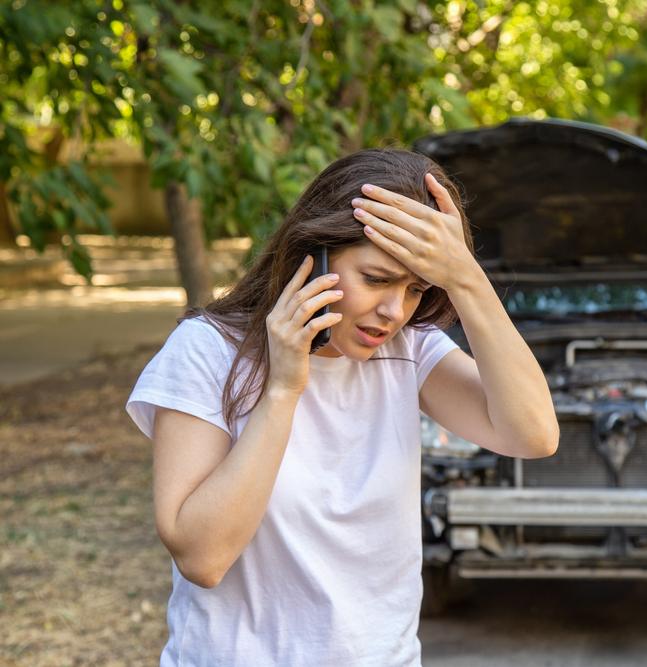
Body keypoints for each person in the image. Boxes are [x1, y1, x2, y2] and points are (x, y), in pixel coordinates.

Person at [125, 148, 559, 666]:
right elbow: (203, 558)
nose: (393, 311)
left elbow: (534, 435)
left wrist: (466, 278)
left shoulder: (408, 349)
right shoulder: (208, 350)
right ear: (315, 256)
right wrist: (283, 391)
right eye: (375, 279)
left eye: (416, 288)